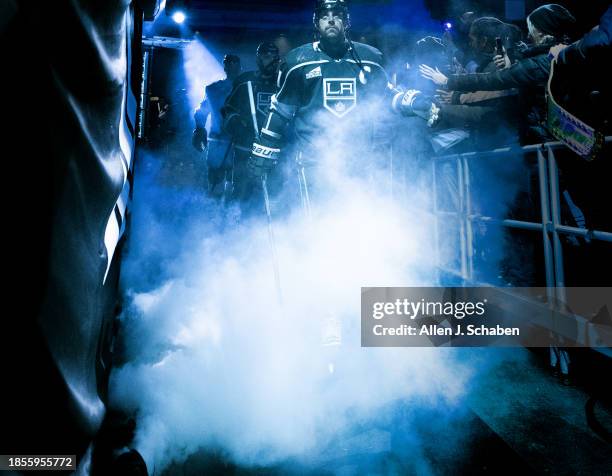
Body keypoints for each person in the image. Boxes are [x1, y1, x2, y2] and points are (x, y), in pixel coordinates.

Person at [248, 0, 397, 192]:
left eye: (337, 16)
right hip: (314, 163)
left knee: (360, 219)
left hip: (360, 161)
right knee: (318, 221)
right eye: (325, 17)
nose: (331, 21)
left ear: (346, 21)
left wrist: (411, 102)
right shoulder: (297, 62)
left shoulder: (371, 59)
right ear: (316, 23)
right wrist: (264, 149)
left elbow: (385, 100)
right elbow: (280, 112)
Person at [420, 4, 577, 144]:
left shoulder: (545, 61)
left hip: (550, 137)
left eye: (532, 31)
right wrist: (511, 64)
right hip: (545, 136)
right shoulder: (559, 54)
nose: (528, 36)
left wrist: (449, 82)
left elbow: (494, 81)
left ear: (543, 32)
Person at [222, 42, 281, 209]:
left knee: (274, 197)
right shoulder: (244, 81)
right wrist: (238, 126)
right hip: (245, 149)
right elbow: (228, 110)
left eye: (275, 57)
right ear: (258, 58)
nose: (272, 60)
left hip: (272, 152)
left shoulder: (283, 82)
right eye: (266, 56)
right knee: (241, 194)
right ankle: (238, 229)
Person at [192, 54, 242, 195]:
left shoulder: (246, 88)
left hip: (238, 143)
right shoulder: (213, 89)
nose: (231, 67)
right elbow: (202, 111)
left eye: (234, 64)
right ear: (225, 66)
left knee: (236, 184)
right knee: (215, 184)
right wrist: (199, 129)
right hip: (218, 142)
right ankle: (216, 210)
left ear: (239, 67)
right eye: (229, 64)